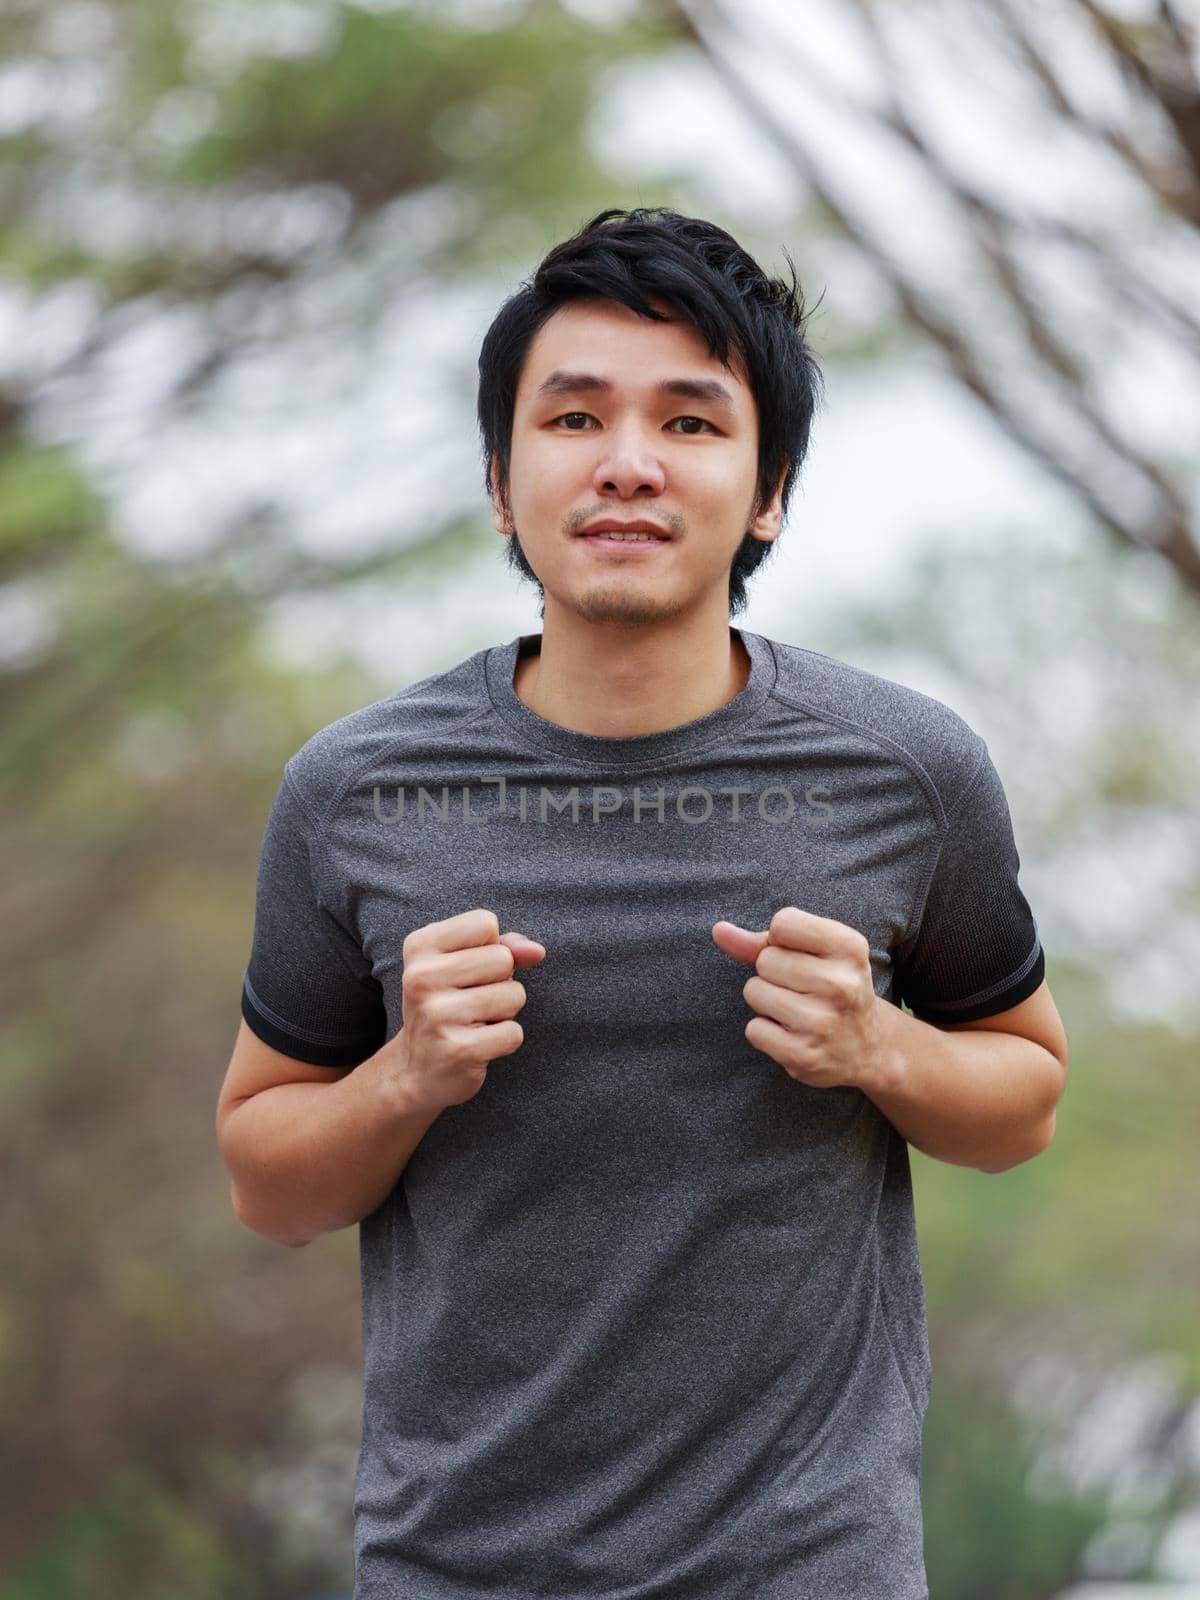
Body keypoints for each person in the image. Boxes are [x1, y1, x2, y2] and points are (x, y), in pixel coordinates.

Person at [216, 206, 1069, 1600]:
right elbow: (268, 1183)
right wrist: (409, 1075)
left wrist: (882, 1050)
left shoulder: (907, 771)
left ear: (769, 487)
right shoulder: (358, 791)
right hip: (456, 1570)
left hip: (808, 1567)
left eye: (689, 423)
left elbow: (1025, 1100)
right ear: (501, 480)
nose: (626, 465)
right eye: (573, 420)